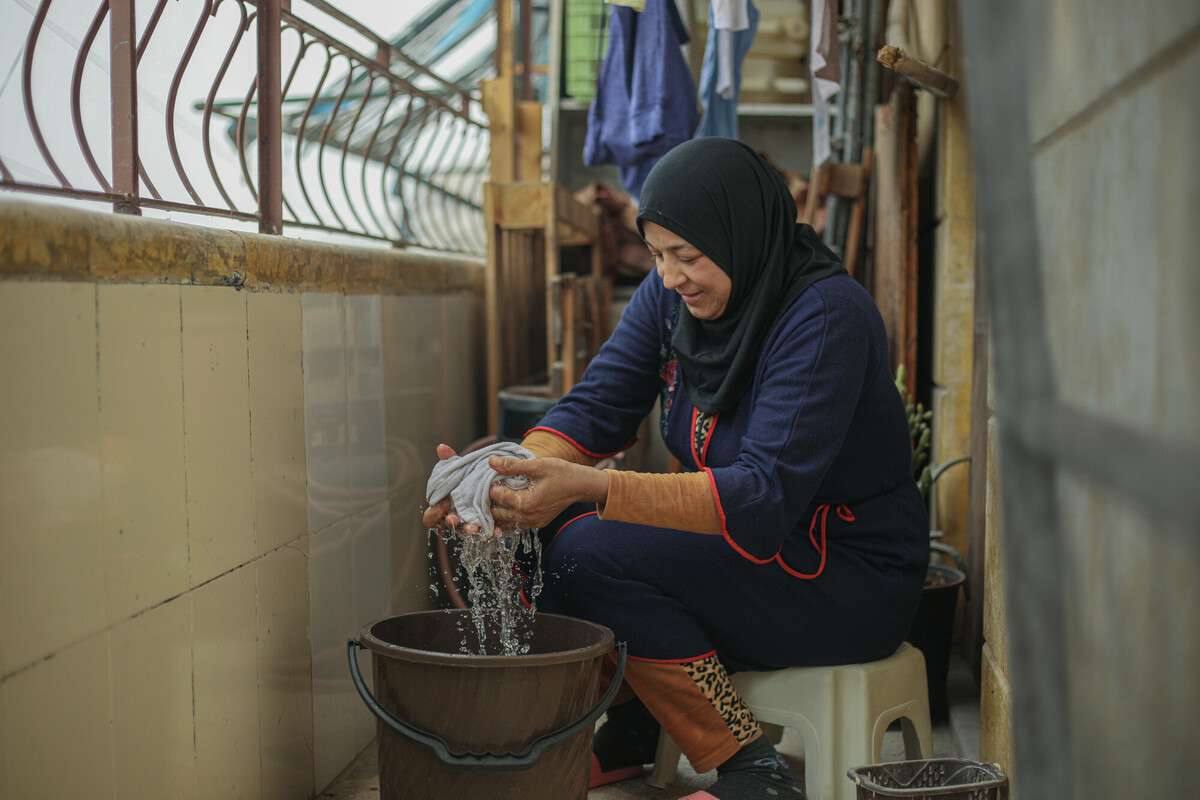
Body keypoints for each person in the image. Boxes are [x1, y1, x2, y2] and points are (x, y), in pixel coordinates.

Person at [423, 137, 929, 800]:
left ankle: (752, 769)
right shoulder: (671, 301)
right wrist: (499, 480)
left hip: (840, 574)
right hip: (743, 551)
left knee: (587, 549)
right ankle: (630, 735)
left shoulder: (825, 317)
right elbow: (598, 406)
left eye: (687, 256)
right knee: (537, 534)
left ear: (741, 235)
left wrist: (596, 487)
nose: (668, 276)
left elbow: (760, 495)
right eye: (658, 254)